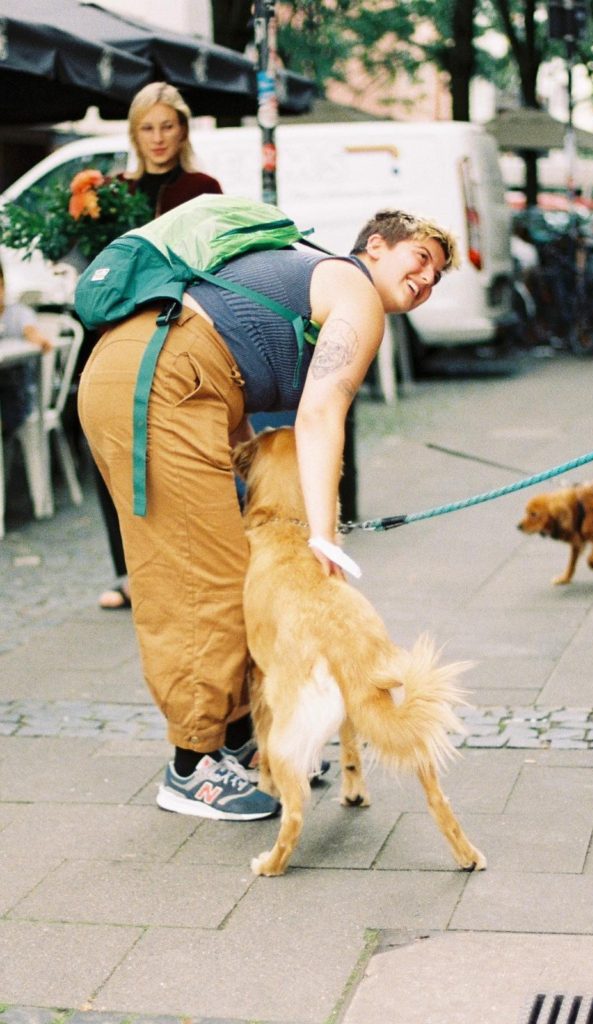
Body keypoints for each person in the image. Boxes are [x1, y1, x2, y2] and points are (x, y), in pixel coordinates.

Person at [78, 209, 457, 821]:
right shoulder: (355, 293)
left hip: (167, 372)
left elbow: (244, 376)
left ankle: (234, 742)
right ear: (377, 247)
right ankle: (191, 767)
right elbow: (319, 416)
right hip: (164, 380)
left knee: (230, 566)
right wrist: (324, 539)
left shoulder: (316, 278)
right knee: (202, 577)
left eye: (437, 277)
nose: (427, 279)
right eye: (420, 259)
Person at [94, 82, 223, 612]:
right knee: (112, 450)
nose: (158, 137)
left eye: (167, 125)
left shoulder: (202, 187)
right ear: (134, 133)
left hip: (175, 330)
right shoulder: (112, 192)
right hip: (113, 333)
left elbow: (213, 259)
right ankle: (127, 572)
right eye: (147, 127)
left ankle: (179, 567)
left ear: (184, 129)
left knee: (174, 453)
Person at [0, 261, 52, 441]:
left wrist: (38, 339)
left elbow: (30, 331)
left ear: (3, 286)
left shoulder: (19, 313)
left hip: (17, 394)